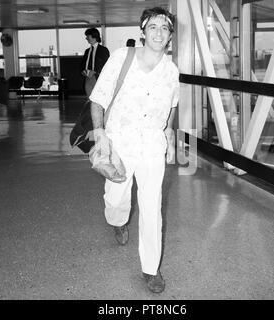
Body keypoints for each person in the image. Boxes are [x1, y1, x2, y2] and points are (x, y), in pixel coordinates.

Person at [88, 7, 179, 293]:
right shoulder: (121, 58)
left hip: (152, 145)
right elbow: (98, 99)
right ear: (143, 31)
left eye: (164, 29)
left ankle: (151, 269)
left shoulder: (172, 70)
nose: (158, 33)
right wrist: (100, 133)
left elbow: (172, 106)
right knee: (116, 197)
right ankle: (117, 220)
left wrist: (169, 136)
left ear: (170, 37)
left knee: (153, 206)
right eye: (153, 27)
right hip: (120, 143)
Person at [80, 28, 110, 97]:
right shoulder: (87, 51)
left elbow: (106, 65)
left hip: (98, 78)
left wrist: (95, 71)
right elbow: (82, 65)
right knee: (90, 98)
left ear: (94, 36)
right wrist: (83, 71)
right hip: (88, 78)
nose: (86, 38)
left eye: (88, 36)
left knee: (99, 98)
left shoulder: (103, 50)